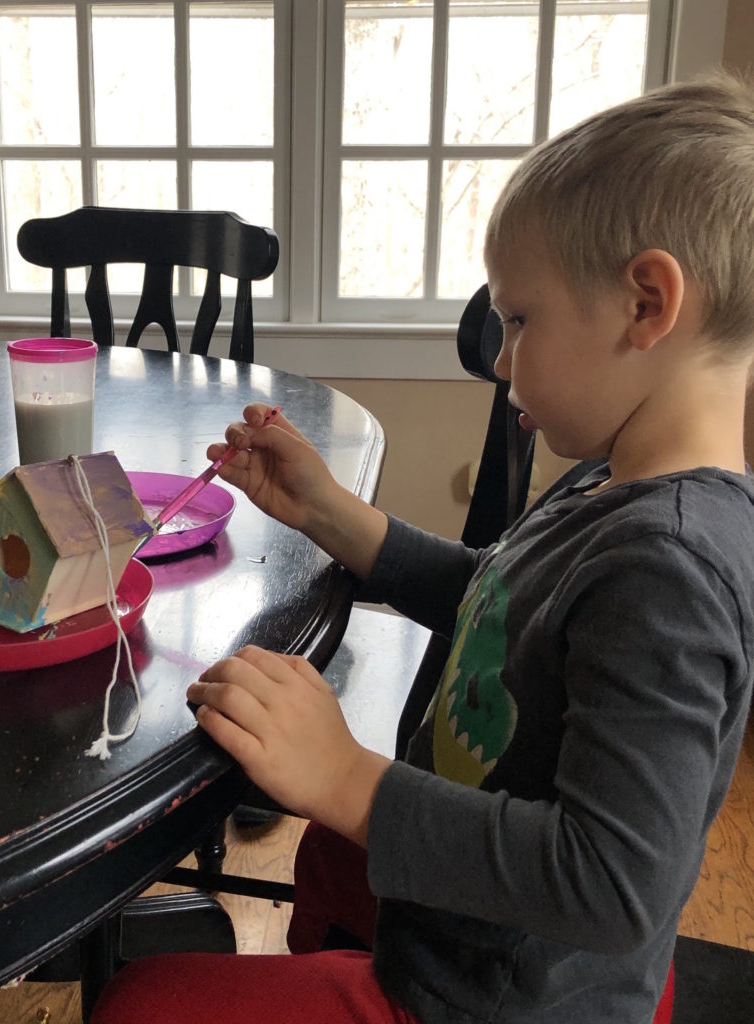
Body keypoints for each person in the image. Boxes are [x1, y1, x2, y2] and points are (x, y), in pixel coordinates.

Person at [90, 72, 754, 1024]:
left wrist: (350, 776)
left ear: (647, 304)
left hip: (497, 1001)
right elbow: (501, 599)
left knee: (142, 1005)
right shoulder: (617, 480)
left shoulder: (672, 571)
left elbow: (613, 885)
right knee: (330, 847)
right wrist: (326, 511)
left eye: (520, 320)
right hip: (468, 942)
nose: (498, 356)